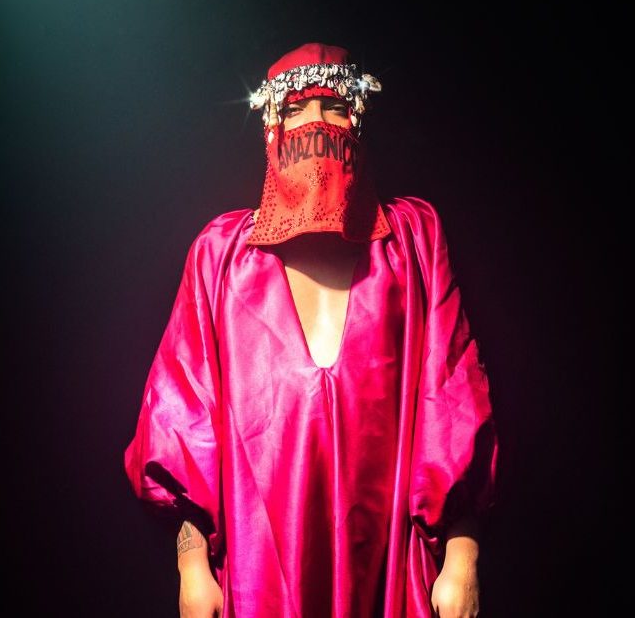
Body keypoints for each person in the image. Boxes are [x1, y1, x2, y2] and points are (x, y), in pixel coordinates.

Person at [123, 42, 499, 618]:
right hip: (259, 572)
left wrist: (462, 559)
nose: (316, 123)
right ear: (271, 126)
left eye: (334, 105)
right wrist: (192, 567)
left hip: (389, 572)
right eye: (297, 108)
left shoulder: (412, 242)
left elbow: (451, 402)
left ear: (359, 120)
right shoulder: (220, 257)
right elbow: (185, 421)